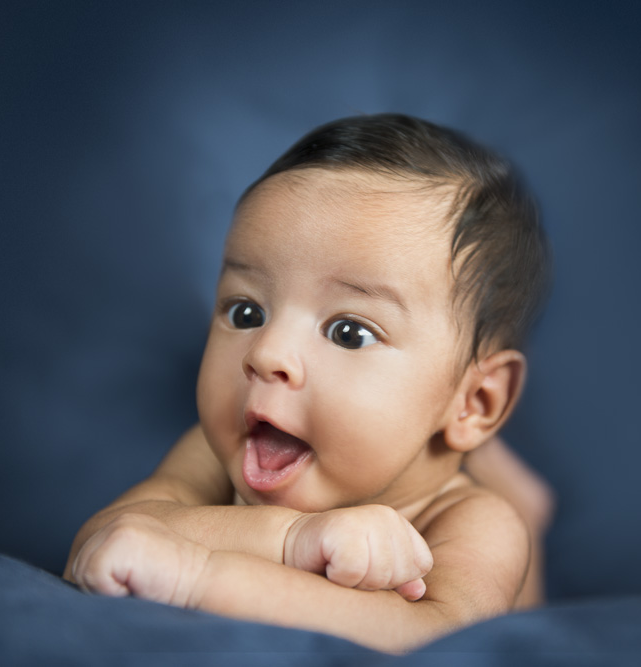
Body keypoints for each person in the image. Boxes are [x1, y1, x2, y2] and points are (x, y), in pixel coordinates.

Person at [64, 113, 554, 653]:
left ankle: (522, 496)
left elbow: (440, 636)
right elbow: (111, 534)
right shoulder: (212, 448)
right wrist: (291, 539)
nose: (265, 353)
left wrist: (197, 577)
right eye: (247, 312)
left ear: (474, 402)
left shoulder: (471, 519)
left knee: (521, 542)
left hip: (488, 516)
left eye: (348, 333)